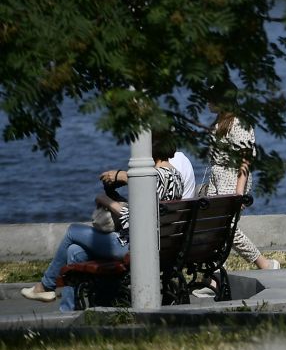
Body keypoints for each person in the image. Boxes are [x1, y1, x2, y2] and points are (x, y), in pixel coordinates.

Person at [21, 132, 187, 309]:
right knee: (74, 251)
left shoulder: (151, 176)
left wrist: (105, 200)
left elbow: (131, 219)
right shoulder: (175, 176)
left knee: (72, 231)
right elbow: (147, 210)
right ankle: (67, 312)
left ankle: (46, 286)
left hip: (134, 246)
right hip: (161, 244)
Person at [204, 112, 277, 270]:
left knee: (227, 225)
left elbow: (245, 157)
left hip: (232, 176)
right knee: (213, 225)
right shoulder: (220, 120)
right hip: (217, 177)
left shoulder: (238, 122)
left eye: (212, 95)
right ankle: (216, 270)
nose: (207, 100)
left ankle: (262, 262)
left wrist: (239, 191)